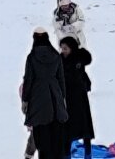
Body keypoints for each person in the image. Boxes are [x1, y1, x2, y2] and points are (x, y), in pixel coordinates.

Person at [21, 30, 69, 159]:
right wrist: (61, 99)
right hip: (55, 99)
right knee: (56, 139)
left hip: (38, 101)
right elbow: (61, 79)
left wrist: (25, 100)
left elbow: (28, 80)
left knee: (42, 139)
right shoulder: (56, 55)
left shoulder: (31, 57)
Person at [58, 36, 94, 159]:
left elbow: (88, 59)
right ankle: (67, 155)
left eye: (65, 48)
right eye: (62, 48)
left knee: (85, 129)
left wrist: (80, 52)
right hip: (67, 99)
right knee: (67, 130)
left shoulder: (78, 58)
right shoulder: (60, 60)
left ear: (72, 48)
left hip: (80, 97)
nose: (63, 51)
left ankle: (88, 154)